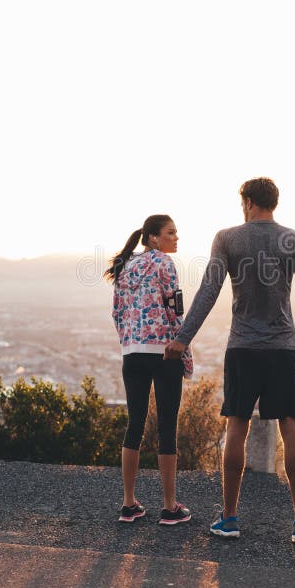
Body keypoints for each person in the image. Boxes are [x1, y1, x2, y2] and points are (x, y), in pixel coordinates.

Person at [165, 177, 295, 543]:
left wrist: (182, 339)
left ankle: (230, 518)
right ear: (274, 203)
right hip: (283, 348)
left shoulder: (226, 238)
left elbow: (208, 290)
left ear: (248, 201)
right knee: (292, 430)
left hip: (242, 348)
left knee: (237, 428)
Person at [106, 214, 194, 526]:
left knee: (135, 424)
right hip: (163, 353)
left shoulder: (125, 265)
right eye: (171, 233)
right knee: (166, 427)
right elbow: (174, 312)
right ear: (153, 237)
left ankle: (128, 504)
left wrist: (131, 342)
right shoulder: (164, 264)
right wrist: (184, 351)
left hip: (132, 353)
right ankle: (170, 507)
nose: (177, 238)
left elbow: (117, 312)